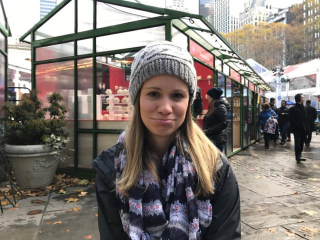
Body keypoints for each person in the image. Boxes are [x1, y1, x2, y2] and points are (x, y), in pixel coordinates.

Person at [92, 41, 241, 240]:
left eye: (177, 95)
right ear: (137, 98)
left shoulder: (216, 168)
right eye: (153, 94)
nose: (165, 108)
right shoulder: (110, 168)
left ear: (189, 102)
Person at [202, 87, 230, 152]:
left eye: (208, 95)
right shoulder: (213, 106)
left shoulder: (220, 107)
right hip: (211, 139)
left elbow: (223, 123)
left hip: (217, 140)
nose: (206, 97)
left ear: (212, 97)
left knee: (215, 161)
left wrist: (208, 131)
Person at [289, 94, 308, 163]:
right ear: (299, 99)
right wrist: (296, 125)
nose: (304, 98)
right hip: (296, 128)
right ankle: (298, 156)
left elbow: (306, 118)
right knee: (297, 142)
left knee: (302, 142)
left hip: (303, 128)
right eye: (302, 97)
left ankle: (300, 154)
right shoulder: (293, 108)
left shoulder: (305, 108)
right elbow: (291, 119)